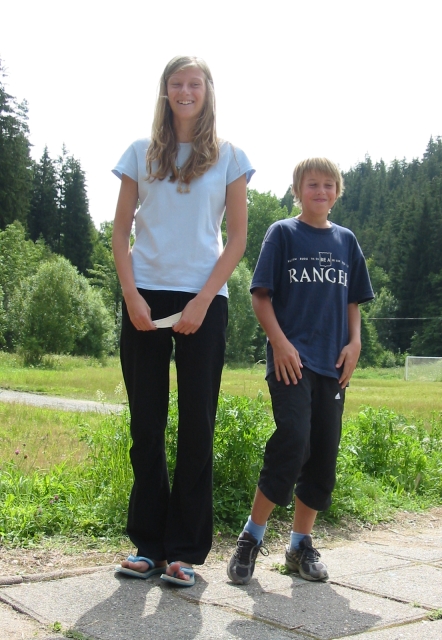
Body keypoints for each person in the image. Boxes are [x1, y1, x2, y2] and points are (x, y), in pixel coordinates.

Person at [112, 55, 254, 586]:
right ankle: (148, 546)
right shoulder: (140, 153)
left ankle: (185, 553)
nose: (185, 91)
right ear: (165, 91)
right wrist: (132, 296)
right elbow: (120, 232)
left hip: (204, 300)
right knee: (146, 425)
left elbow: (237, 238)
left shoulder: (231, 157)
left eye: (194, 83)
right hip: (144, 298)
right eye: (177, 83)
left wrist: (202, 301)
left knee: (197, 426)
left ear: (207, 90)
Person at [227, 157, 373, 585]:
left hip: (333, 363)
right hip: (291, 360)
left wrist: (355, 343)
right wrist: (280, 343)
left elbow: (353, 302)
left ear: (337, 192)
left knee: (324, 451)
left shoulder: (346, 241)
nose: (321, 191)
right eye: (312, 184)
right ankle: (251, 537)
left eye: (329, 185)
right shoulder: (283, 233)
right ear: (297, 190)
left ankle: (299, 546)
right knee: (294, 440)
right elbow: (260, 296)